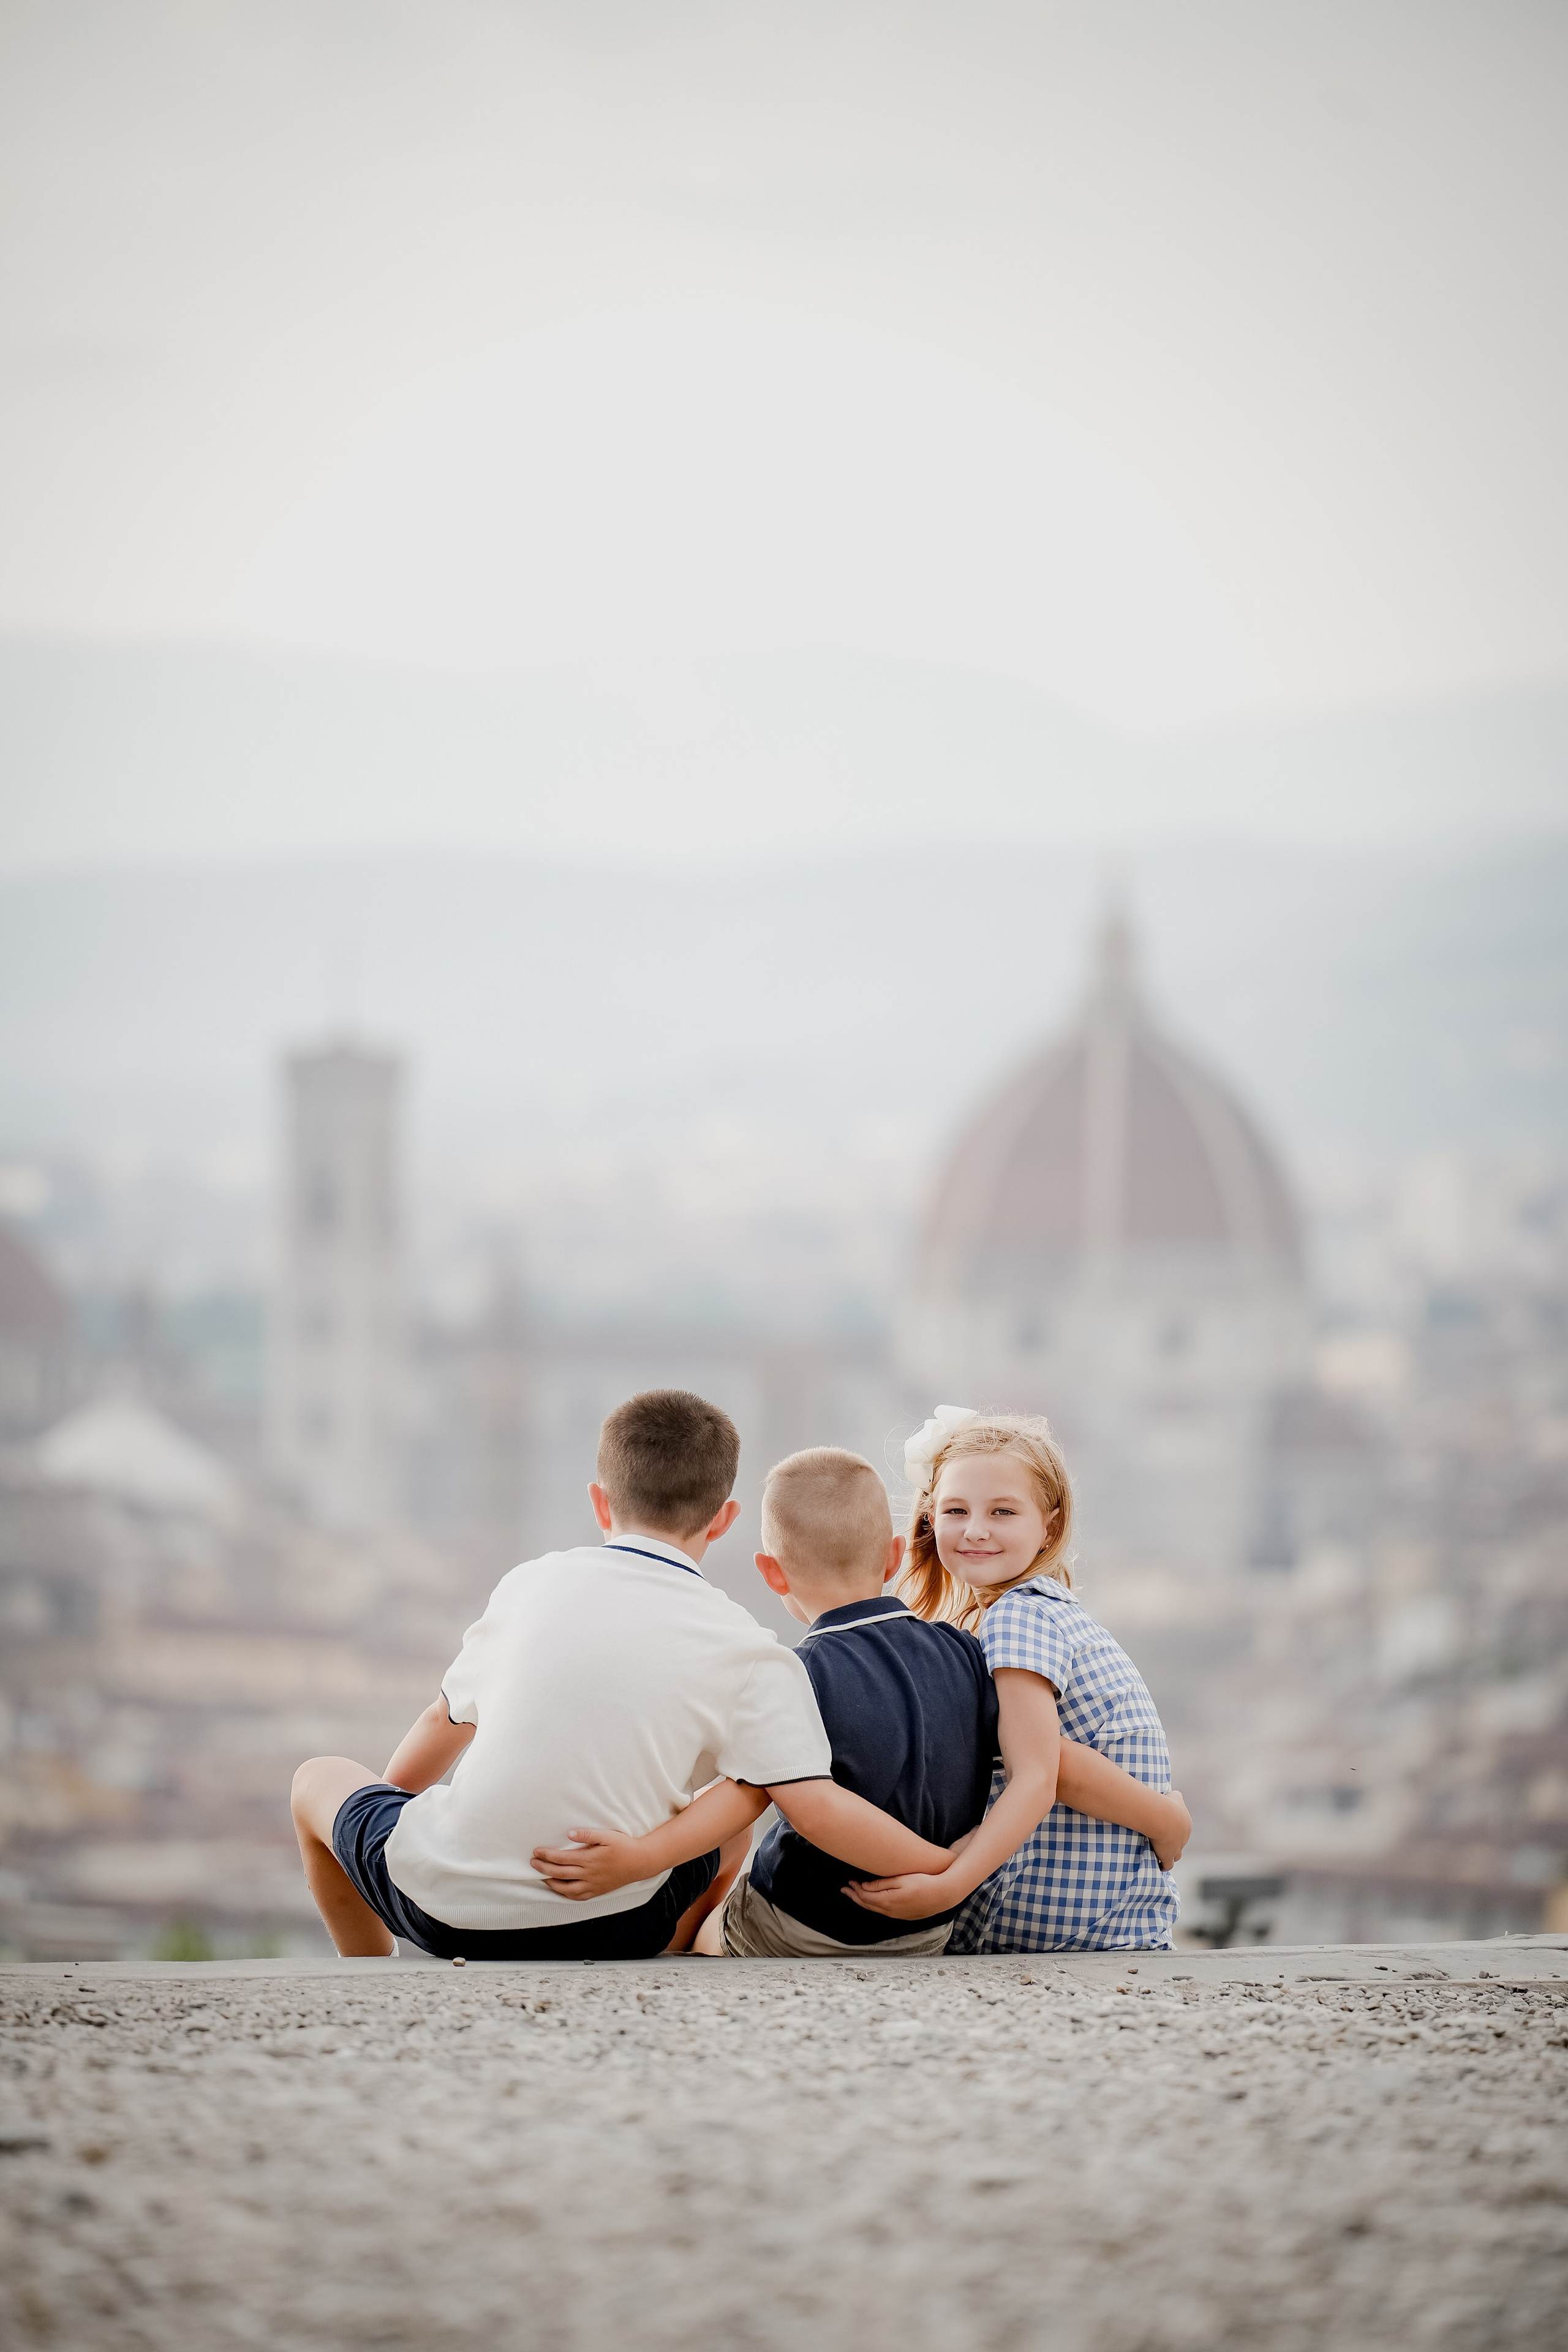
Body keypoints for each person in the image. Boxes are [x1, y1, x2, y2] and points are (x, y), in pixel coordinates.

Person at [290, 1392, 958, 1961]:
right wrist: (949, 1866)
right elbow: (776, 1796)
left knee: (316, 1779)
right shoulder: (751, 1651)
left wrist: (393, 1814)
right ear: (723, 1520)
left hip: (441, 1912)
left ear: (599, 1502)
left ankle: (368, 1967)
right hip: (617, 1924)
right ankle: (673, 1957)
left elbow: (446, 1721)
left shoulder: (531, 1585)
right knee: (739, 1792)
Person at [532, 1446, 1189, 1956]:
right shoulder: (964, 1653)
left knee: (721, 1880)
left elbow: (757, 1800)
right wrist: (1164, 1819)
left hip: (804, 1923)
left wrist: (641, 1856)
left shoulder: (791, 1673)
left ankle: (696, 1941)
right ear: (896, 1555)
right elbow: (1054, 1762)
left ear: (771, 1573)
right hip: (929, 1929)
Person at [854, 1406, 1181, 1954]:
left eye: (1003, 1511)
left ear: (1050, 1523)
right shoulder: (1051, 1611)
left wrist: (949, 1887)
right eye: (957, 1510)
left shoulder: (1018, 1616)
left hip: (1060, 1926)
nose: (976, 1530)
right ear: (931, 1517)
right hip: (1118, 1919)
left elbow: (1047, 1771)